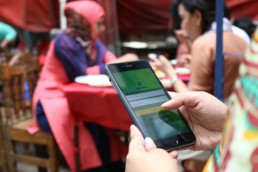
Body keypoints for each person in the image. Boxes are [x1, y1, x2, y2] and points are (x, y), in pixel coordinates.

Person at [126, 27, 258, 172]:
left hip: (205, 133)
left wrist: (170, 72)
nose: (182, 24)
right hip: (224, 136)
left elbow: (189, 96)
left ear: (196, 16)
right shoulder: (242, 39)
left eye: (183, 17)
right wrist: (225, 127)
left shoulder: (204, 43)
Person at [29, 1, 138, 172]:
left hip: (77, 99)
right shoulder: (63, 42)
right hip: (51, 104)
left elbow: (111, 60)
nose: (101, 29)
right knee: (89, 132)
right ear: (86, 22)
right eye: (99, 24)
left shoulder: (92, 42)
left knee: (101, 126)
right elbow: (80, 74)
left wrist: (123, 62)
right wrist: (120, 63)